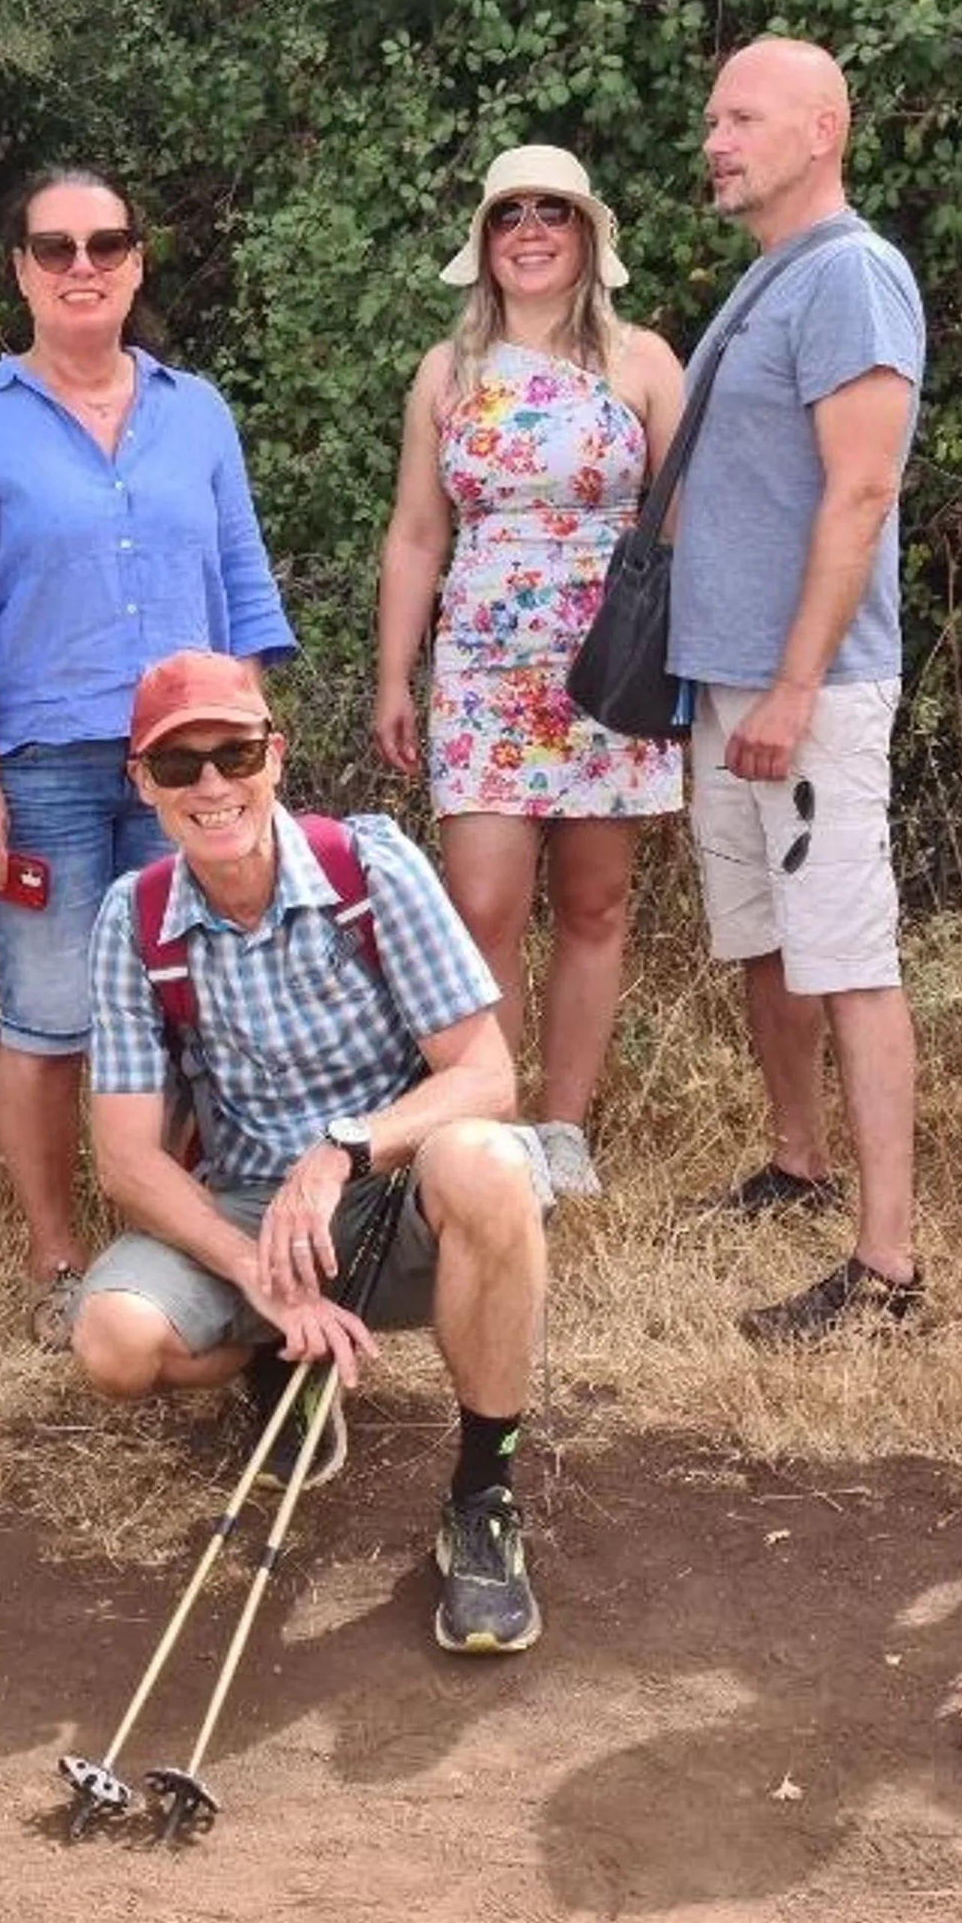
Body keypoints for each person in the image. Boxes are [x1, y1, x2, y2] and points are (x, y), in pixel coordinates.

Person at [72, 652, 553, 1653]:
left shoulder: (368, 867)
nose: (211, 785)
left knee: (493, 1164)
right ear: (142, 783)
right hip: (251, 1212)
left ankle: (483, 1494)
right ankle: (279, 1356)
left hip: (392, 1190)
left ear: (274, 757)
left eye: (233, 752)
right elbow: (125, 1159)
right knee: (112, 1344)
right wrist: (261, 1274)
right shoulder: (136, 915)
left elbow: (485, 1075)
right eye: (178, 765)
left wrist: (343, 1151)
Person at [0, 169, 296, 1333]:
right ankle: (55, 1262)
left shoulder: (199, 411)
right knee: (47, 1019)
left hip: (194, 770)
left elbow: (243, 592)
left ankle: (177, 1245)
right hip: (43, 772)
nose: (84, 265)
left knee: (203, 1012)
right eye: (56, 246)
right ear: (21, 269)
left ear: (137, 263)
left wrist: (250, 759)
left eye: (107, 244)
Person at [672, 39, 929, 1341]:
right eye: (713, 118)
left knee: (849, 955)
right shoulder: (771, 280)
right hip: (732, 688)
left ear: (823, 126)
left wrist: (793, 683)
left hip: (807, 694)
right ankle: (798, 1164)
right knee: (767, 941)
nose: (716, 139)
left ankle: (887, 1271)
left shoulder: (852, 277)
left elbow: (863, 488)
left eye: (743, 116)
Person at [371, 145, 687, 1200]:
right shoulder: (445, 372)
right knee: (484, 905)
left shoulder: (644, 361)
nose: (533, 231)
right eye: (512, 215)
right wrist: (393, 678)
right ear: (486, 240)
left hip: (611, 663)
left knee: (596, 904)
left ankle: (564, 1126)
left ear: (589, 234)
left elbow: (682, 525)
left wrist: (686, 667)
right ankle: (492, 1123)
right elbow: (418, 533)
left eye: (555, 211)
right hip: (483, 666)